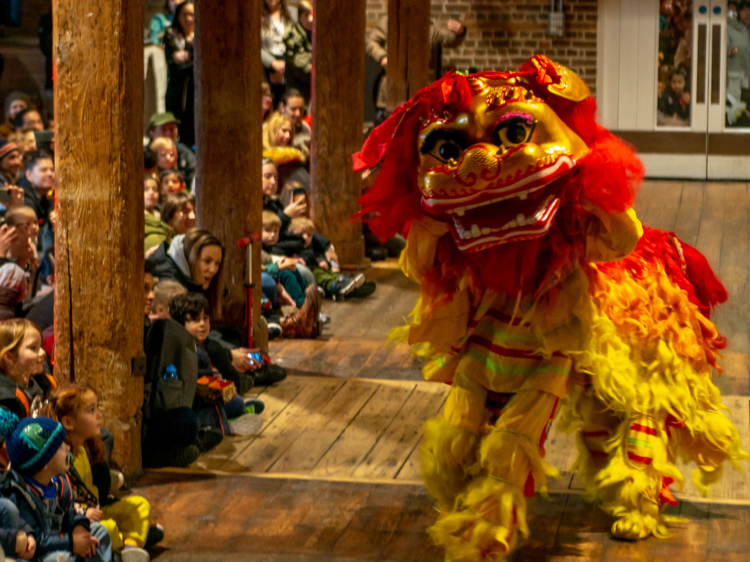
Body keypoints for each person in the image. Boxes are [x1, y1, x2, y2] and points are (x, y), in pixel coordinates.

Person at [45, 385, 162, 562]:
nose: (99, 415)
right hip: (77, 518)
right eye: (91, 410)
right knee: (107, 528)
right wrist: (83, 514)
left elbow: (99, 489)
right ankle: (130, 543)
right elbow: (59, 502)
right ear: (68, 422)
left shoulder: (86, 447)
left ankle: (130, 549)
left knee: (139, 505)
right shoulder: (61, 458)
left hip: (97, 508)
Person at [0, 411, 113, 561]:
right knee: (61, 559)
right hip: (43, 554)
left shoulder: (60, 484)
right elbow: (35, 541)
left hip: (63, 540)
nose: (68, 448)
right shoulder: (20, 494)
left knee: (99, 531)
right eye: (60, 447)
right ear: (44, 462)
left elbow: (73, 511)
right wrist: (71, 542)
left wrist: (79, 527)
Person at [169, 293, 264, 415]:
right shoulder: (187, 349)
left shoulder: (202, 344)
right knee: (237, 402)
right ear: (180, 324)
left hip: (207, 395)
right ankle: (240, 412)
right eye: (195, 320)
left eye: (205, 318)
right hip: (197, 402)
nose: (202, 324)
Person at [366, 15, 466, 110]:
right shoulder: (388, 21)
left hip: (424, 93)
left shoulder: (431, 24)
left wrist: (459, 32)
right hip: (393, 91)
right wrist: (383, 57)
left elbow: (450, 40)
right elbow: (371, 42)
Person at [289, 217, 376, 300]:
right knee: (321, 275)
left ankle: (346, 284)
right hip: (308, 272)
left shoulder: (310, 246)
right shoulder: (291, 247)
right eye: (301, 234)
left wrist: (321, 261)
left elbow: (314, 254)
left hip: (316, 267)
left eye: (309, 235)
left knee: (328, 272)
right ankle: (336, 286)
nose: (306, 237)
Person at [164, 1, 195, 148]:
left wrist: (185, 56)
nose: (188, 19)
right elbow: (173, 63)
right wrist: (191, 54)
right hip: (176, 92)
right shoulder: (170, 34)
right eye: (185, 15)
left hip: (194, 92)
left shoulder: (201, 35)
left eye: (192, 15)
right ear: (178, 16)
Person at [146, 112, 195, 184]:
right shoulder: (145, 155)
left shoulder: (183, 151)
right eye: (164, 130)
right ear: (151, 133)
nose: (169, 133)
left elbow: (195, 171)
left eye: (171, 129)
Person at [261, 0, 293, 107]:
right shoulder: (258, 17)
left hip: (286, 66)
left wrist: (286, 64)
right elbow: (255, 46)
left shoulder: (289, 17)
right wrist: (272, 63)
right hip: (265, 66)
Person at [283, 2, 313, 104]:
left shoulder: (316, 34)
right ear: (299, 17)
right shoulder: (293, 36)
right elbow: (304, 71)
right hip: (299, 99)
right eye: (307, 15)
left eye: (313, 15)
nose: (311, 19)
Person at [19, 150, 54, 227]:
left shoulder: (48, 191)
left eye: (52, 170)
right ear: (29, 175)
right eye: (43, 170)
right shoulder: (23, 195)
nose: (50, 174)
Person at [279, 89, 311, 159]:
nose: (298, 114)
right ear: (282, 107)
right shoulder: (269, 128)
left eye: (301, 109)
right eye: (293, 109)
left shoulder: (305, 127)